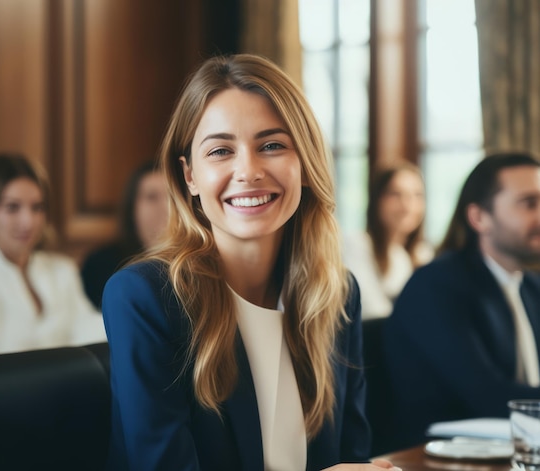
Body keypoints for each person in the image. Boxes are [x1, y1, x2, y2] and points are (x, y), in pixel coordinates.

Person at [102, 54, 399, 471]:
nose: (248, 171)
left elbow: (351, 458)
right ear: (189, 177)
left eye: (272, 145)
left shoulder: (337, 293)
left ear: (306, 164)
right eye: (221, 151)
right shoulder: (144, 297)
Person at [382, 152, 540, 450]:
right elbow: (487, 395)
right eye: (529, 203)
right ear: (479, 217)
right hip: (439, 461)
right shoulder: (435, 286)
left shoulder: (532, 286)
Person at [0, 153, 107, 362]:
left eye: (37, 207)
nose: (28, 222)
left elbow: (93, 333)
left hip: (72, 391)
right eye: (12, 207)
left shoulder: (63, 269)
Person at [342, 162, 433, 319]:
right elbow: (371, 311)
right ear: (377, 199)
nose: (407, 206)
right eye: (396, 194)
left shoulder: (423, 253)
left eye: (417, 195)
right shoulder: (357, 245)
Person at [80, 161, 168, 308]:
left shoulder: (193, 265)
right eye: (152, 197)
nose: (166, 207)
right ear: (132, 207)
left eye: (172, 197)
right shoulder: (100, 264)